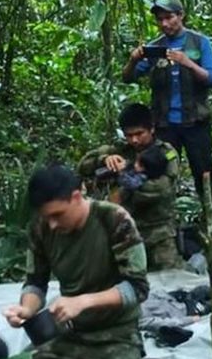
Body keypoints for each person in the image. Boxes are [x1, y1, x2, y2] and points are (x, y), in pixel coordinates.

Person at [3, 165, 149, 359]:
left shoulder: (114, 219)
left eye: (58, 215)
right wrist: (26, 308)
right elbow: (36, 282)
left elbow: (137, 288)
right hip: (67, 334)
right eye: (46, 216)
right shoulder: (41, 227)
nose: (52, 224)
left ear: (77, 197)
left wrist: (83, 302)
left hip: (115, 335)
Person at [121, 0, 212, 235]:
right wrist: (134, 59)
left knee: (204, 173)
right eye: (160, 19)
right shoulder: (155, 47)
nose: (165, 24)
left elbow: (211, 78)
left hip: (195, 123)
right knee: (159, 173)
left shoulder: (199, 43)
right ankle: (162, 226)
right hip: (165, 125)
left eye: (169, 17)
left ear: (181, 15)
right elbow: (128, 77)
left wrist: (187, 62)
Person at [78, 103, 182, 271]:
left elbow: (162, 189)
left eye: (139, 134)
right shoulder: (121, 149)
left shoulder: (166, 153)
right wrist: (104, 159)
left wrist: (126, 177)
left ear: (152, 129)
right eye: (129, 135)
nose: (134, 140)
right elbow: (83, 166)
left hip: (158, 233)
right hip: (125, 233)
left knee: (171, 282)